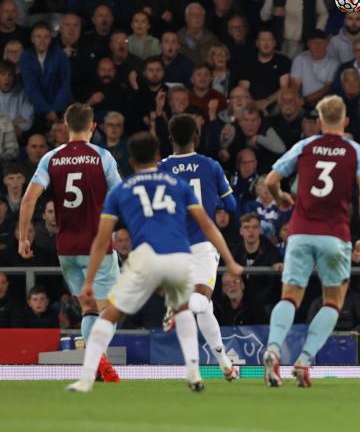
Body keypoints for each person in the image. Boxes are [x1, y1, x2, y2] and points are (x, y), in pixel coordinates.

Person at [65, 131, 244, 393]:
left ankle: (86, 378)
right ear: (157, 156)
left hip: (145, 257)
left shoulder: (123, 189)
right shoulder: (177, 184)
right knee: (185, 309)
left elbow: (102, 239)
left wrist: (89, 280)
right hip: (177, 254)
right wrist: (229, 260)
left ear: (132, 162)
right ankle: (194, 374)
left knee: (111, 314)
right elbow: (207, 224)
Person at [261, 94, 360, 388]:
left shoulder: (304, 146)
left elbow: (271, 180)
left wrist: (280, 197)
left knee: (290, 296)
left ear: (319, 122)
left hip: (300, 232)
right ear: (346, 121)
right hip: (334, 236)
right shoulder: (356, 152)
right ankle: (304, 361)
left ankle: (273, 348)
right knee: (333, 300)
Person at [18, 103, 123, 382]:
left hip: (67, 249)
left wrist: (22, 236)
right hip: (97, 246)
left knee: (89, 309)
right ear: (93, 127)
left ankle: (96, 363)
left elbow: (29, 198)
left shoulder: (51, 158)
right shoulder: (103, 157)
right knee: (110, 310)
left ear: (65, 126)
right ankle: (98, 360)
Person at [158, 114, 240, 381]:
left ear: (170, 139)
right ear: (197, 137)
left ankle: (225, 364)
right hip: (203, 243)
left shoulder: (160, 168)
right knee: (201, 298)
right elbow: (231, 206)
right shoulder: (211, 166)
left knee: (206, 309)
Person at [20, 22, 72, 131]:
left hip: (61, 108)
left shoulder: (60, 55)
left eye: (46, 37)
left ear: (51, 39)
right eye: (38, 36)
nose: (42, 41)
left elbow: (65, 84)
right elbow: (31, 87)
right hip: (36, 108)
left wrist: (55, 109)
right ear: (32, 39)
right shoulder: (26, 57)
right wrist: (47, 110)